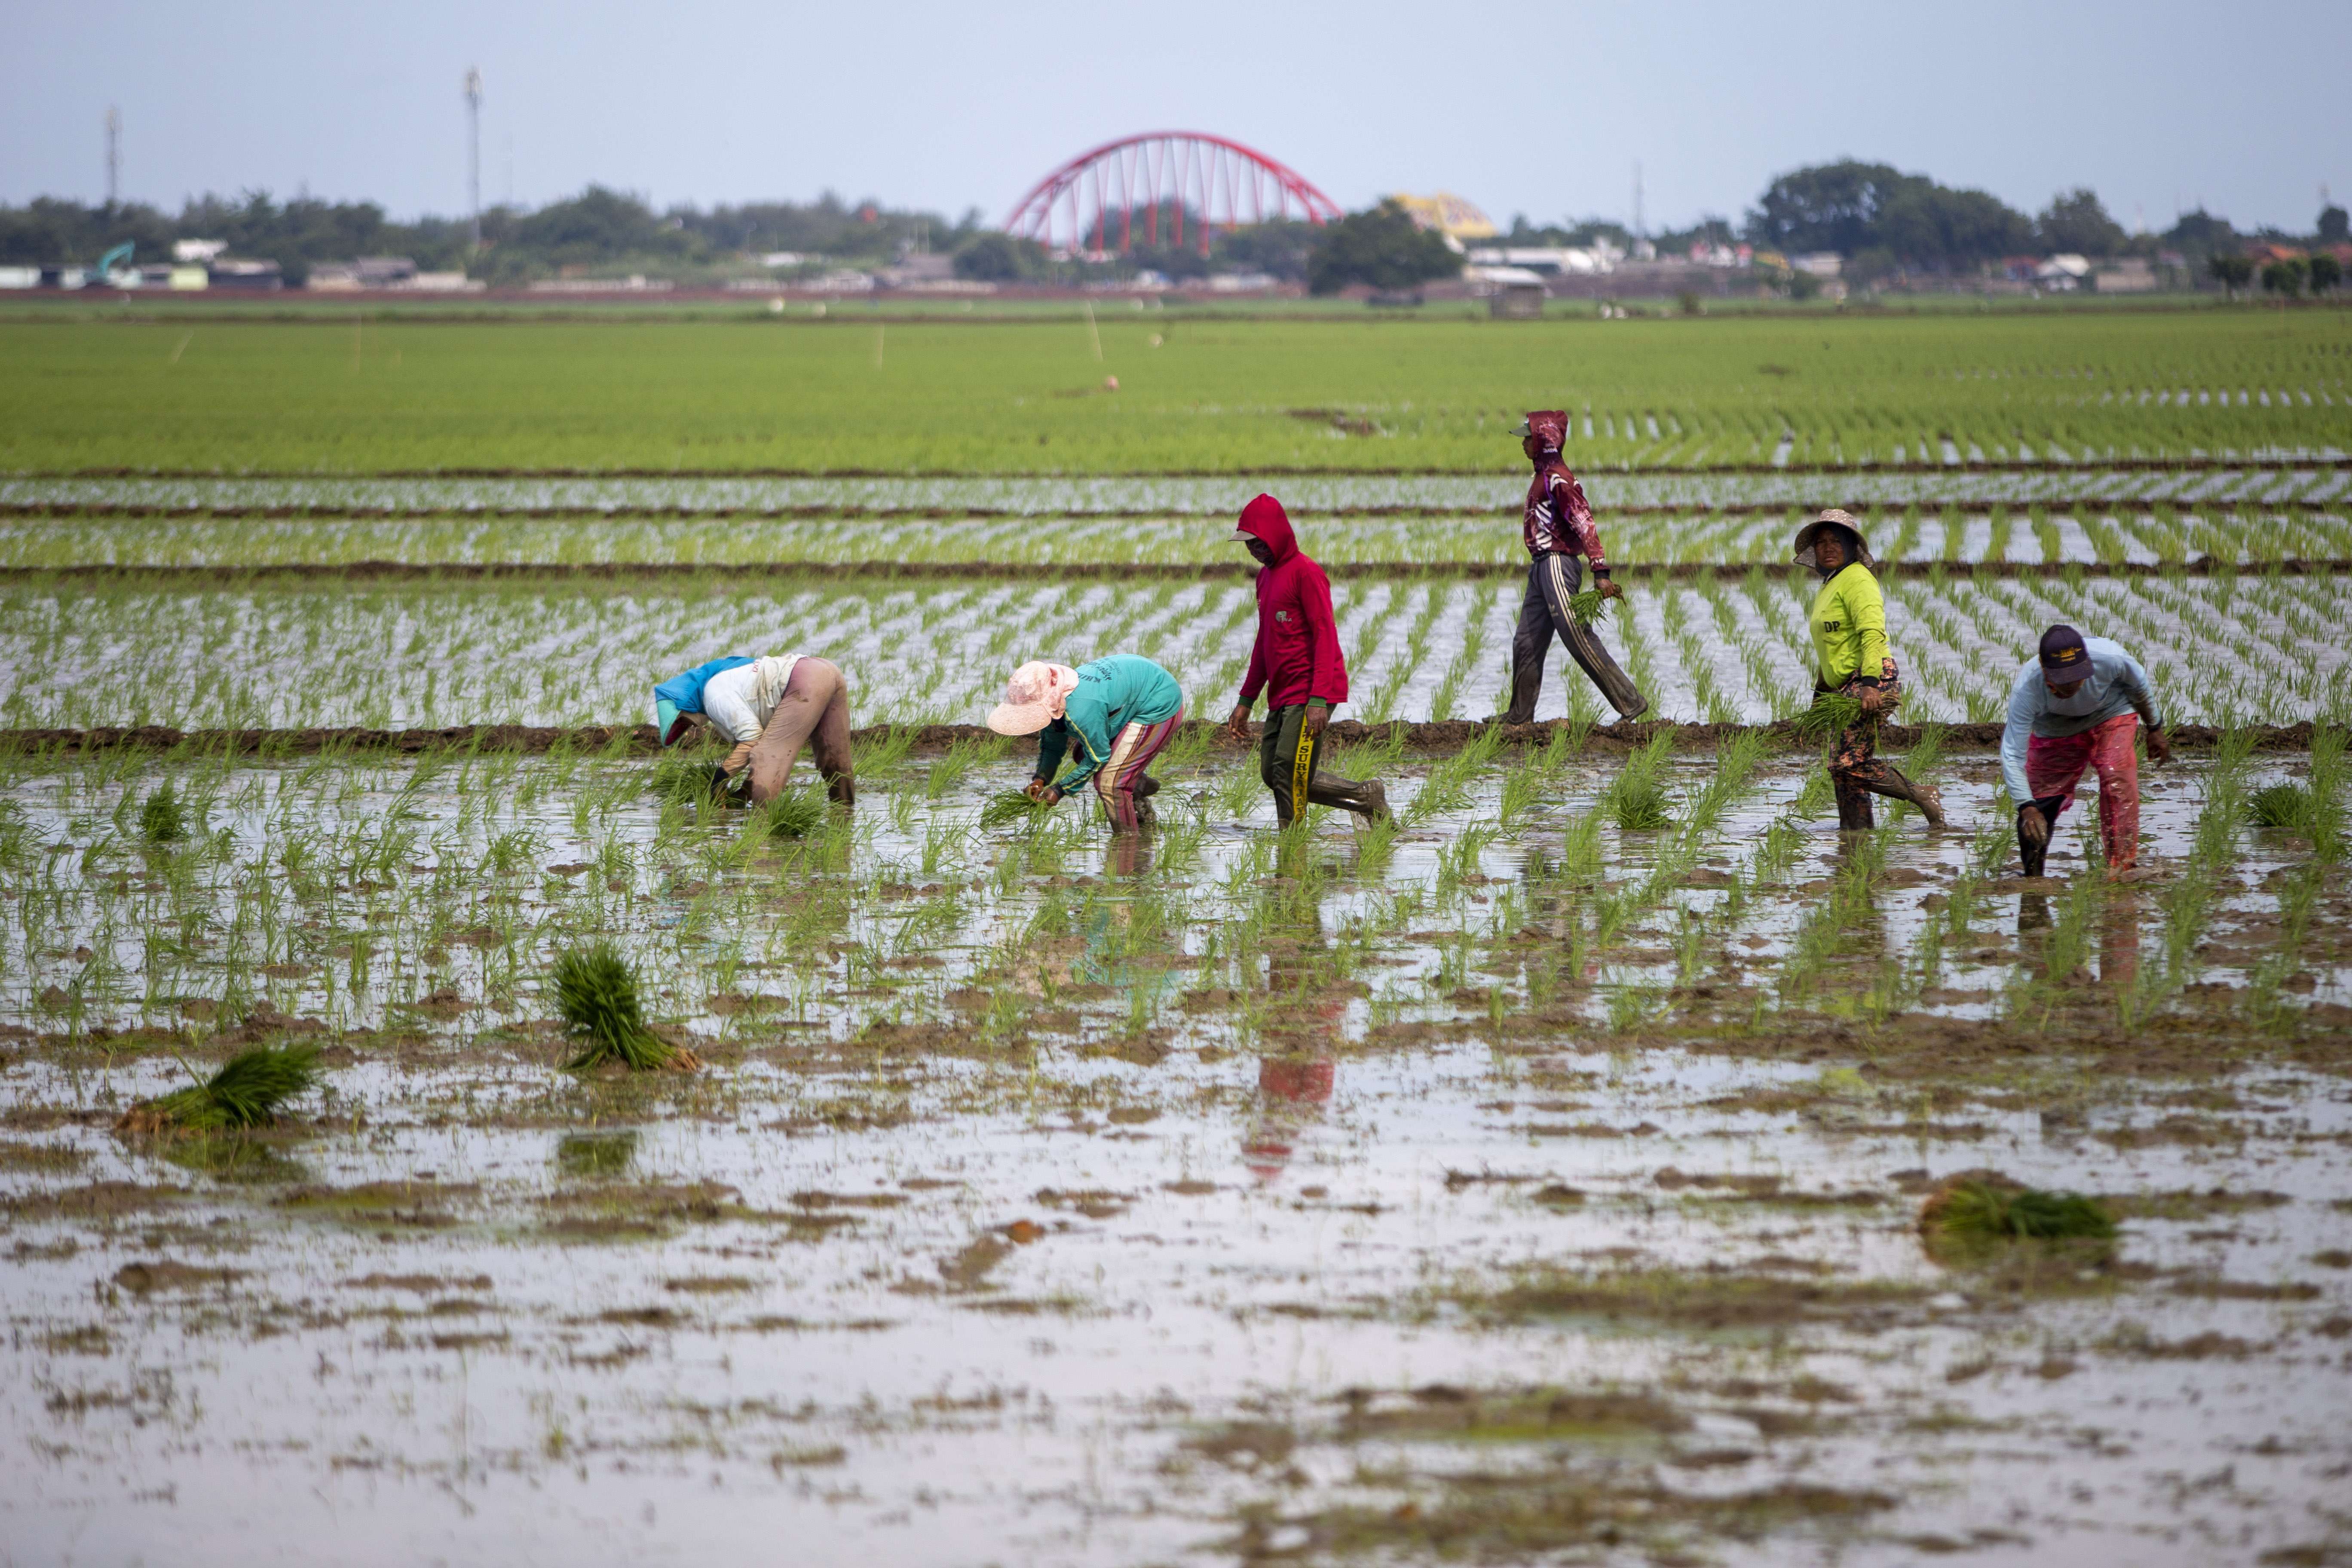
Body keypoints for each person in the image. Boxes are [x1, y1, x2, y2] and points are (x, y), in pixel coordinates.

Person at [1224, 494, 1389, 826]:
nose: (1254, 551)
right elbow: (1264, 642)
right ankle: (1364, 797)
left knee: (1288, 769)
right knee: (1273, 772)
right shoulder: (1265, 578)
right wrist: (1246, 699)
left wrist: (1318, 699)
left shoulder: (1306, 573)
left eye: (1258, 543)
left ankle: (1292, 847)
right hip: (1282, 691)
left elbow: (1326, 635)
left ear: (1276, 535)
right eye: (1248, 545)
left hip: (1311, 689)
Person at [1490, 410, 1648, 723]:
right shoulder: (1543, 477)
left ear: (1543, 440)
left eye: (1527, 439)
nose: (1522, 445)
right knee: (1526, 641)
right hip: (1540, 568)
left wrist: (1600, 570)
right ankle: (1519, 716)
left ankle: (1630, 702)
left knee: (1576, 635)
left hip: (1556, 565)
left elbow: (1584, 522)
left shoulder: (1559, 480)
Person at [1792, 510, 1944, 830]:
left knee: (1846, 764)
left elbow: (1872, 634)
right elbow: (1831, 651)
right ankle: (1856, 836)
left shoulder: (1858, 579)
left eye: (1836, 541)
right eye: (1821, 542)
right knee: (1844, 772)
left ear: (1850, 546)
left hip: (1868, 679)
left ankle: (1922, 794)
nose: (1828, 547)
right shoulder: (1829, 586)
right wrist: (1818, 700)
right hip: (1842, 687)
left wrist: (1871, 684)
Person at [2001, 624, 2170, 878]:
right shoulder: (2028, 688)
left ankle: (2121, 868)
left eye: (2078, 674)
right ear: (2045, 669)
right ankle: (2033, 877)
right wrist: (2026, 807)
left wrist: (2155, 727)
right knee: (2041, 799)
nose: (2072, 685)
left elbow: (2139, 687)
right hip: (2055, 727)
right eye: (2063, 678)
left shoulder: (2111, 657)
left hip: (2111, 713)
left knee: (2117, 777)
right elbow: (2013, 753)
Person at [987, 655, 1184, 832]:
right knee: (1082, 755)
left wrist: (1060, 790)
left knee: (1110, 783)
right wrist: (1041, 779)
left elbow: (1099, 756)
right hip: (1134, 689)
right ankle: (1137, 784)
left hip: (1158, 701)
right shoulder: (1054, 701)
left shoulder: (1079, 710)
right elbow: (1053, 746)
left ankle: (1128, 843)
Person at [651, 652, 854, 806]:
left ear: (684, 707)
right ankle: (845, 815)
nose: (690, 727)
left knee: (770, 757)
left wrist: (719, 779)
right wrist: (744, 793)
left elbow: (752, 741)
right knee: (836, 759)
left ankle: (762, 834)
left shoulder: (714, 695)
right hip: (826, 669)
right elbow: (761, 740)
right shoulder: (730, 680)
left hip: (804, 681)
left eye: (683, 722)